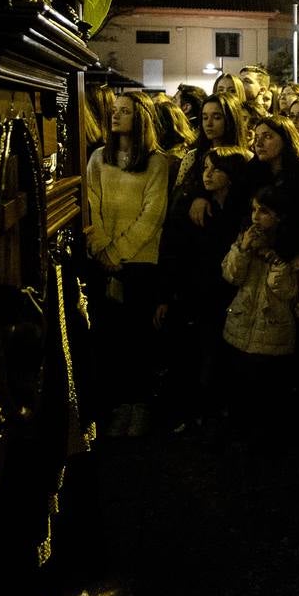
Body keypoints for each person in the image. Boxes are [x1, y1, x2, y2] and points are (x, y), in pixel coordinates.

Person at [85, 92, 173, 438]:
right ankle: (119, 404)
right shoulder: (97, 158)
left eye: (124, 111)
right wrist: (102, 247)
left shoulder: (155, 163)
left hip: (139, 262)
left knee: (139, 339)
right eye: (114, 111)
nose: (116, 116)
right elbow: (91, 203)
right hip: (104, 259)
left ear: (140, 118)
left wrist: (117, 251)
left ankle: (140, 406)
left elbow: (152, 215)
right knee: (112, 338)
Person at [162, 145, 252, 437]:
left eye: (216, 169)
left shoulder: (242, 212)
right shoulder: (194, 209)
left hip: (230, 291)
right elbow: (177, 253)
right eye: (205, 168)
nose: (208, 174)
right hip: (199, 292)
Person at [221, 184, 299, 446]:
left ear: (280, 216)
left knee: (266, 391)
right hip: (242, 324)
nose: (256, 217)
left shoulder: (292, 249)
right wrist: (243, 249)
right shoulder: (244, 237)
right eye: (255, 210)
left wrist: (273, 259)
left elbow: (286, 290)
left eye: (265, 211)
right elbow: (231, 275)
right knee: (240, 387)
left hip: (273, 330)